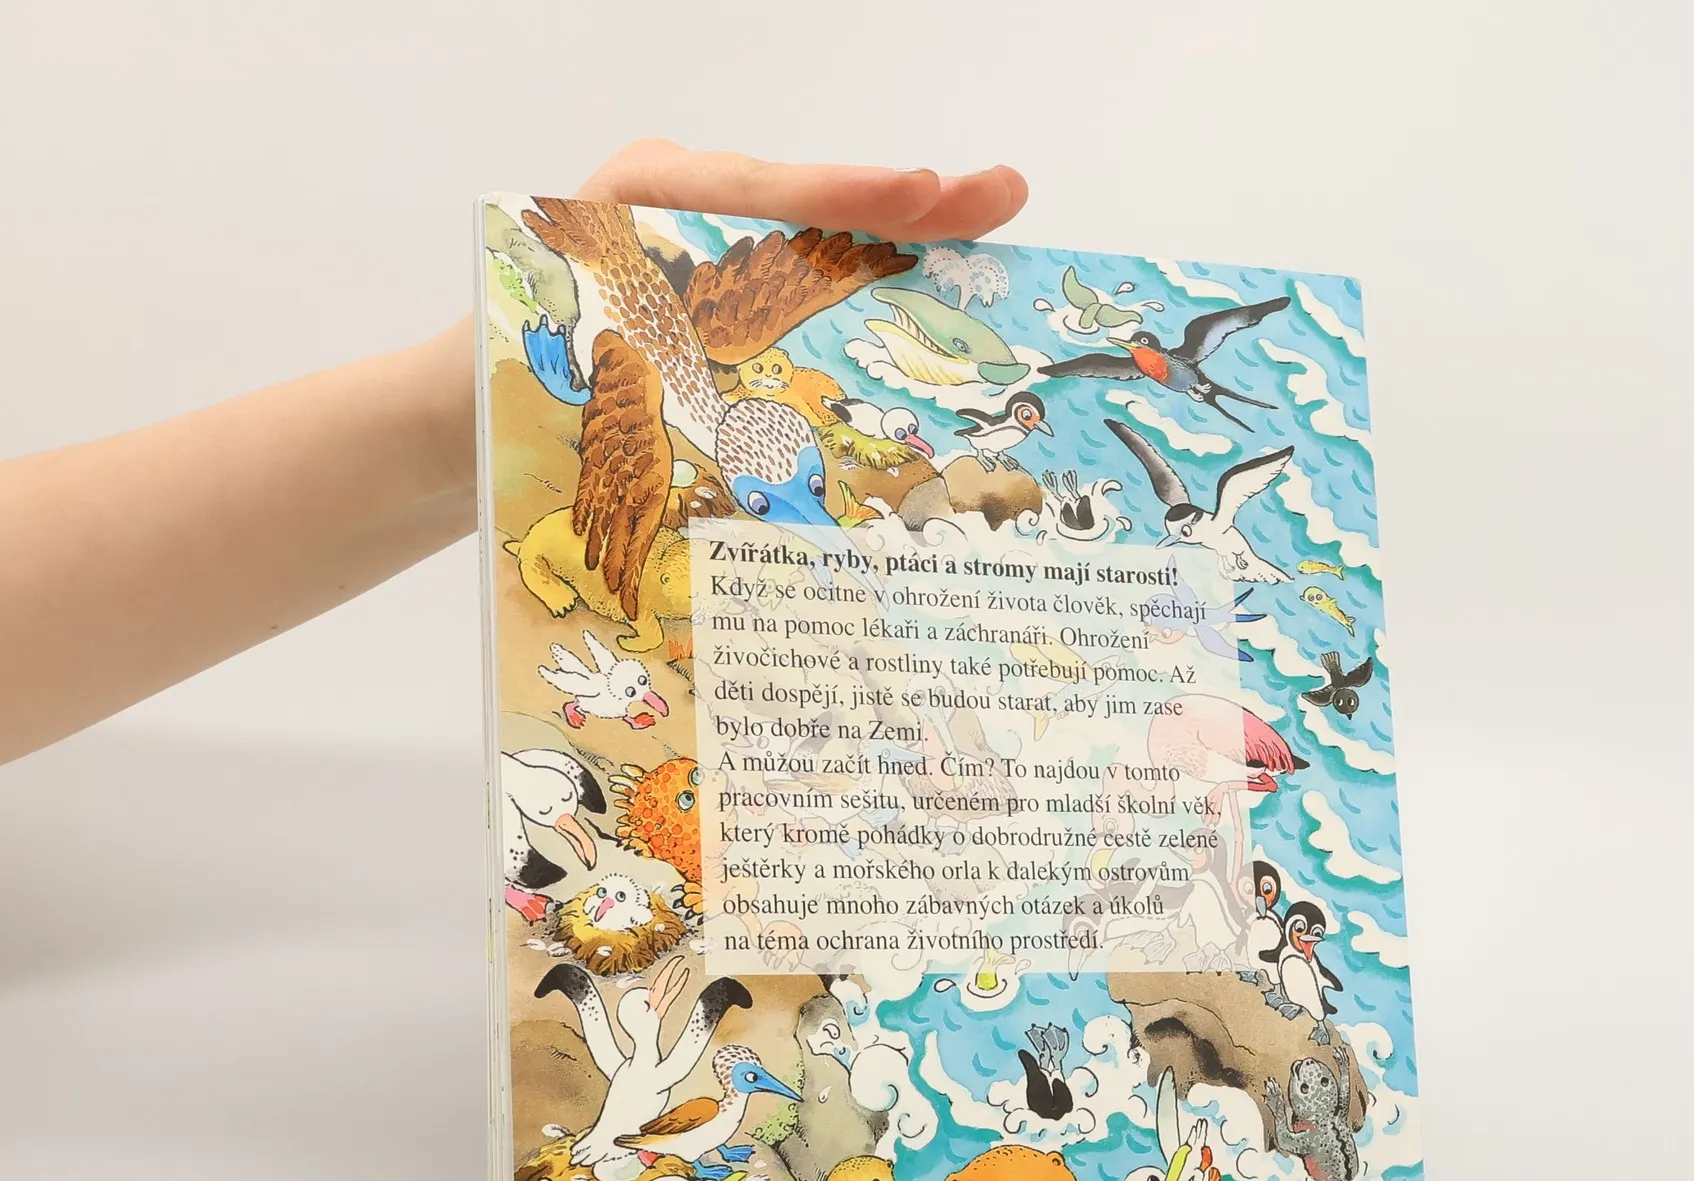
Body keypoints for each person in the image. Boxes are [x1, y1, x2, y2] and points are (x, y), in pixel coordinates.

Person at [0, 139, 1027, 765]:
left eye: (794, 491)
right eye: (781, 498)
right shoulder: (656, 403)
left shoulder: (705, 363)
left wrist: (468, 411)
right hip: (603, 290)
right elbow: (618, 448)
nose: (804, 507)